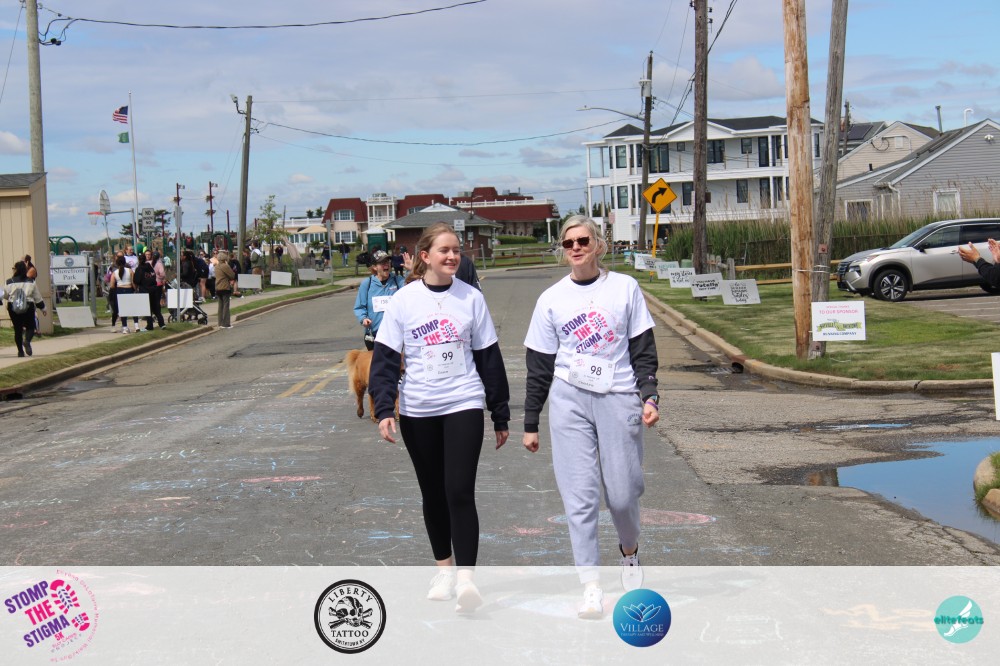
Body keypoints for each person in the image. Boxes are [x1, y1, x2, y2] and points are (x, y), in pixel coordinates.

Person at [521, 214, 659, 620]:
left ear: (598, 244)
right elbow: (539, 366)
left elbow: (643, 348)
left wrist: (650, 395)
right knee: (579, 498)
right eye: (569, 243)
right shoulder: (551, 299)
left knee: (622, 493)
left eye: (583, 240)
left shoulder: (624, 288)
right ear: (563, 250)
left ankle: (629, 551)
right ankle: (591, 586)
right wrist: (531, 421)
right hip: (570, 400)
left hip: (618, 396)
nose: (576, 248)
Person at [369, 222, 510, 614]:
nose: (452, 256)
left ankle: (466, 579)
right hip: (419, 409)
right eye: (444, 250)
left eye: (457, 250)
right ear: (424, 256)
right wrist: (384, 408)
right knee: (432, 492)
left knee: (459, 490)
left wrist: (499, 412)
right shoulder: (404, 301)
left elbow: (489, 358)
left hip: (463, 401)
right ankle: (444, 571)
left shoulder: (471, 298)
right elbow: (384, 359)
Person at [353, 250, 406, 351]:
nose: (386, 264)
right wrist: (363, 318)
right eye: (382, 262)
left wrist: (411, 270)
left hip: (394, 333)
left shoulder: (398, 281)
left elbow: (414, 290)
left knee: (394, 361)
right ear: (375, 267)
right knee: (375, 361)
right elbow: (359, 307)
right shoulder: (367, 284)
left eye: (387, 261)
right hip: (374, 334)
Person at [6, 261, 46, 357]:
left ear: (15, 270)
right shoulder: (31, 281)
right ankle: (27, 341)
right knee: (31, 326)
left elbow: (5, 295)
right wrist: (43, 308)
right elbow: (37, 297)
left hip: (13, 307)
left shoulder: (9, 282)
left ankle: (20, 351)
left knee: (18, 329)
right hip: (28, 306)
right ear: (25, 270)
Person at [108, 256, 140, 333]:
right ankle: (136, 326)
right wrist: (135, 289)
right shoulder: (130, 271)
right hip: (129, 289)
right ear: (125, 262)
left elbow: (112, 285)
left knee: (123, 310)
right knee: (133, 308)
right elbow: (133, 283)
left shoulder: (114, 273)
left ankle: (125, 327)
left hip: (119, 290)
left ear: (117, 263)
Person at [133, 252, 160, 331]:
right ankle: (161, 323)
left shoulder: (139, 269)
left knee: (147, 309)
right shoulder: (149, 267)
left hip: (144, 290)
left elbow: (136, 280)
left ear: (139, 260)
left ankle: (150, 325)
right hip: (153, 289)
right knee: (155, 307)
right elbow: (153, 275)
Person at [214, 250, 237, 328]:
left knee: (220, 306)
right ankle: (226, 323)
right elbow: (232, 275)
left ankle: (220, 322)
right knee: (226, 306)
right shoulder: (225, 266)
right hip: (225, 287)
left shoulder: (216, 267)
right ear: (225, 259)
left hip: (218, 287)